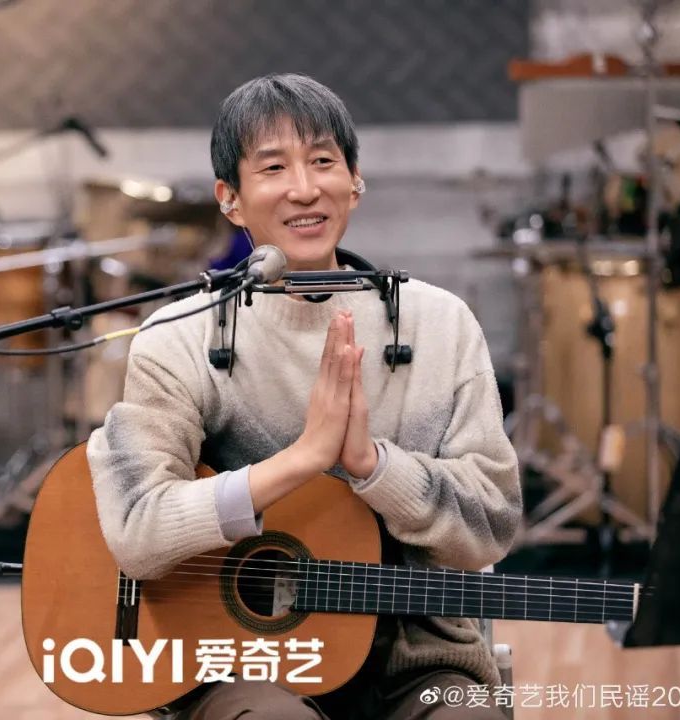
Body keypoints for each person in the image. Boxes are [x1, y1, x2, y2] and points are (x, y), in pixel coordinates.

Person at [87, 73, 521, 719]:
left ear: (356, 181)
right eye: (273, 167)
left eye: (323, 161)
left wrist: (373, 465)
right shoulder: (178, 337)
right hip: (238, 662)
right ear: (230, 199)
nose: (304, 188)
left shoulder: (439, 323)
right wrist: (303, 459)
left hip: (415, 660)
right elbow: (137, 531)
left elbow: (491, 526)